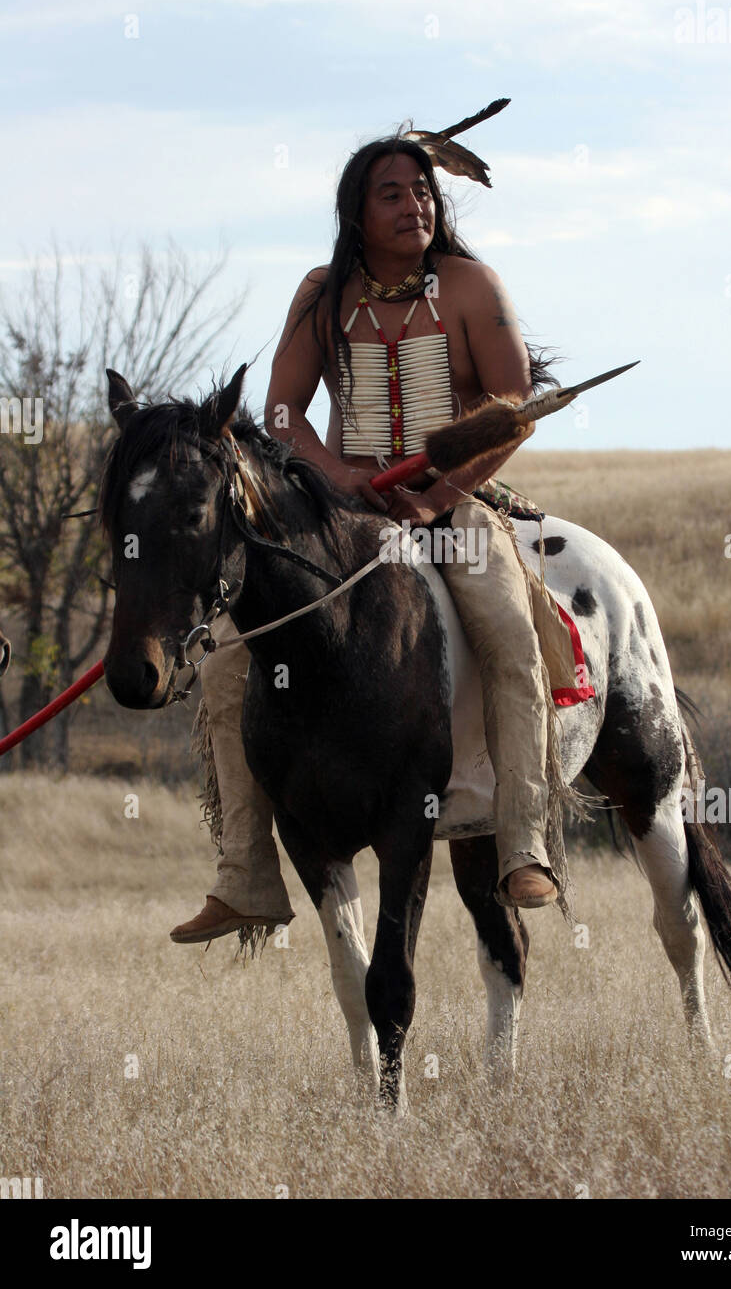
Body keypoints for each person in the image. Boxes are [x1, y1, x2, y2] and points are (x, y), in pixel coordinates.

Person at [171, 131, 581, 946]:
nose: (415, 205)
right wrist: (335, 475)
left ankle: (524, 842)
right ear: (355, 212)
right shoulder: (323, 294)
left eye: (424, 191)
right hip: (340, 515)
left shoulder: (470, 286)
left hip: (457, 506)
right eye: (392, 193)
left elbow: (513, 407)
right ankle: (247, 875)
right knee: (223, 660)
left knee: (507, 633)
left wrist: (442, 493)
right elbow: (282, 412)